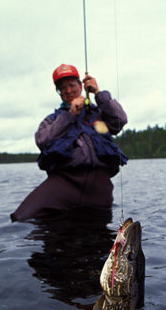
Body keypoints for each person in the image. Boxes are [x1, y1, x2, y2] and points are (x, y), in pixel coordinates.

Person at [11, 64, 128, 222]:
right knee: (21, 218)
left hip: (99, 185)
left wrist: (99, 93)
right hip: (65, 181)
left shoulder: (99, 114)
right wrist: (71, 114)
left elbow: (119, 121)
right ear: (58, 92)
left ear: (81, 86)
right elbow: (41, 140)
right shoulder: (52, 120)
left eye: (72, 85)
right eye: (62, 88)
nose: (68, 91)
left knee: (100, 235)